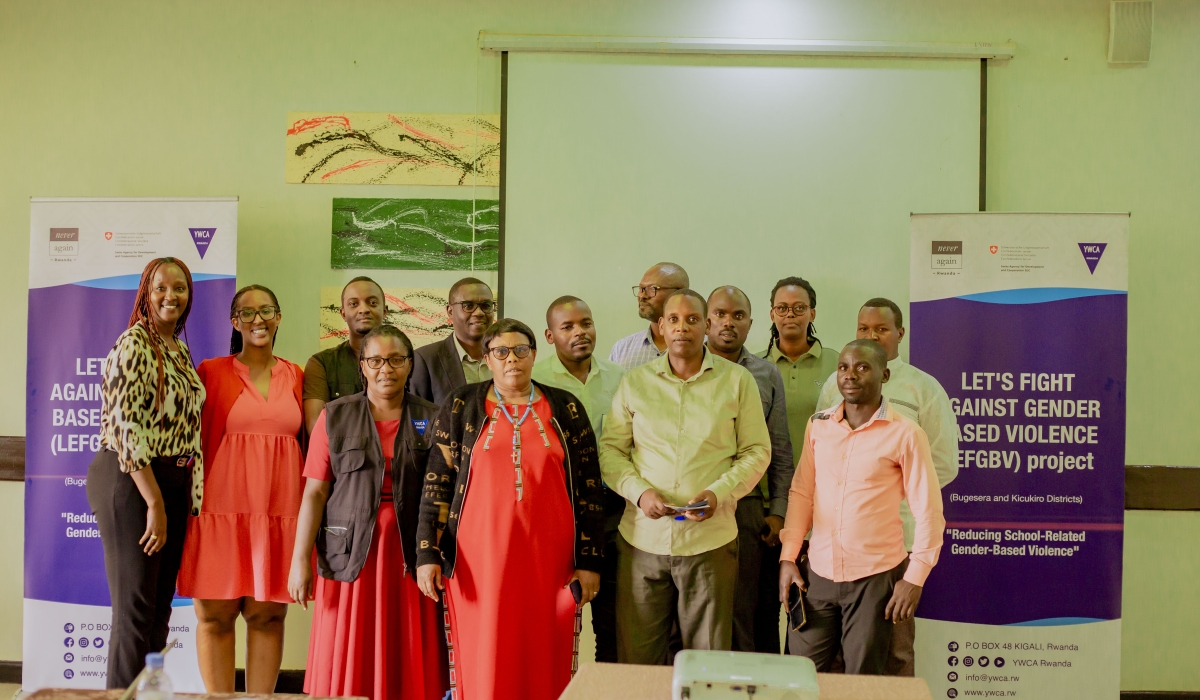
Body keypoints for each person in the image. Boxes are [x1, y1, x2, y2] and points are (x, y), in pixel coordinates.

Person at [415, 319, 605, 700]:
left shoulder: (566, 407)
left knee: (543, 648)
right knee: (485, 651)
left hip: (549, 560)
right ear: (487, 359)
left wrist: (590, 560)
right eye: (500, 351)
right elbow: (436, 484)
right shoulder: (460, 405)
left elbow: (589, 489)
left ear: (535, 354)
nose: (511, 359)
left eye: (521, 350)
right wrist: (426, 553)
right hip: (477, 562)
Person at [599, 290, 771, 664]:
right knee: (638, 659)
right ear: (661, 326)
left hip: (709, 543)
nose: (682, 328)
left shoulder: (738, 381)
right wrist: (640, 493)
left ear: (706, 325)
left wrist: (720, 493)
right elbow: (610, 451)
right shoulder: (635, 382)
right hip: (643, 540)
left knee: (706, 661)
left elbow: (758, 451)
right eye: (673, 320)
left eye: (692, 319)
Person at [288, 325, 446, 700]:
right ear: (362, 366)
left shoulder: (434, 417)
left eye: (395, 360)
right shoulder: (335, 415)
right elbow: (314, 493)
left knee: (407, 649)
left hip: (410, 552)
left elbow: (445, 494)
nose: (385, 369)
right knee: (348, 652)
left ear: (409, 365)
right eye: (375, 360)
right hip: (350, 552)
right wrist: (299, 560)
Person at [779, 340, 945, 675]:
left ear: (884, 374)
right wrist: (788, 557)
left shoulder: (905, 434)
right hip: (818, 575)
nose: (850, 375)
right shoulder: (819, 425)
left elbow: (928, 512)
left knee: (863, 681)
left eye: (862, 367)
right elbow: (801, 494)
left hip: (874, 578)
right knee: (798, 675)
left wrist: (915, 577)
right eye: (843, 367)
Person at [815, 298, 959, 675]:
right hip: (839, 546)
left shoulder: (924, 388)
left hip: (899, 542)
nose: (872, 335)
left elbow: (943, 463)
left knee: (894, 650)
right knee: (840, 655)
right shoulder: (836, 383)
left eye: (881, 329)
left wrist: (885, 491)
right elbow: (825, 454)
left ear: (900, 333)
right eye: (864, 328)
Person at [176, 285, 305, 693]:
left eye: (266, 311)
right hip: (220, 511)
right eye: (247, 313)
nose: (258, 320)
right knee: (214, 619)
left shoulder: (297, 374)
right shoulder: (211, 372)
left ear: (279, 317)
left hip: (277, 512)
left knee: (268, 618)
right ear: (235, 322)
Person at [87, 257, 204, 688]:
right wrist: (154, 500)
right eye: (160, 288)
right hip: (131, 481)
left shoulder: (178, 347)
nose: (170, 295)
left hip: (169, 483)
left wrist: (179, 496)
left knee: (159, 610)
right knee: (135, 610)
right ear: (145, 293)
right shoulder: (134, 344)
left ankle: (144, 695)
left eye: (180, 288)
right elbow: (125, 428)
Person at [531, 295, 626, 662]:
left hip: (613, 514)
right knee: (554, 627)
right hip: (557, 515)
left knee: (613, 629)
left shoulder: (620, 377)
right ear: (550, 335)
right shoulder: (534, 381)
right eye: (567, 326)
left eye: (585, 323)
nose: (580, 332)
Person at [705, 286, 794, 653]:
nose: (729, 322)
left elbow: (780, 452)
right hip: (697, 504)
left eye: (738, 316)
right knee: (702, 608)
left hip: (747, 509)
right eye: (721, 314)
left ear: (751, 323)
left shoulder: (766, 374)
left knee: (747, 611)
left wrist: (777, 512)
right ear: (707, 321)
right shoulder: (685, 368)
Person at [760, 277, 839, 460]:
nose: (790, 314)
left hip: (821, 478)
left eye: (799, 308)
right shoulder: (755, 365)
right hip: (764, 481)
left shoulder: (836, 363)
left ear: (812, 314)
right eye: (782, 308)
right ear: (772, 314)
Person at [303, 276, 388, 434]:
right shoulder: (321, 363)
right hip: (340, 457)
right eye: (353, 304)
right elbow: (316, 427)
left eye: (372, 302)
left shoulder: (404, 362)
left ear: (384, 311)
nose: (363, 309)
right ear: (343, 313)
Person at [410, 277, 495, 404]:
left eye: (486, 306)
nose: (479, 312)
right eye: (468, 306)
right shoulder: (425, 360)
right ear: (450, 311)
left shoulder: (504, 357)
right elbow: (417, 416)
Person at [609, 262, 689, 370]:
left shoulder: (703, 346)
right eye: (641, 289)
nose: (642, 296)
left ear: (680, 293)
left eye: (652, 289)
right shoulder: (622, 349)